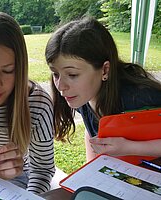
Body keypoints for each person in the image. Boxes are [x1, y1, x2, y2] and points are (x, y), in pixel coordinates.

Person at [45, 17, 161, 162]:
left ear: (105, 70)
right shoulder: (84, 95)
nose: (61, 86)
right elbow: (91, 134)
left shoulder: (140, 98)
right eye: (55, 74)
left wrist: (130, 147)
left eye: (73, 75)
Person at [0, 12, 55, 194]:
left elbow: (42, 169)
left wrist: (31, 197)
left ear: (20, 68)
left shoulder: (37, 103)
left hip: (16, 179)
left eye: (8, 70)